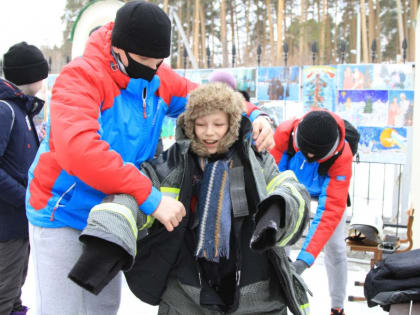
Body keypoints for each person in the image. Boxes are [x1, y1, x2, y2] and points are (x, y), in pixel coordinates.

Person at [25, 1, 274, 314]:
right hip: (62, 211)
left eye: (159, 62)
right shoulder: (81, 78)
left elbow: (208, 99)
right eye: (145, 60)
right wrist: (151, 198)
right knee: (63, 309)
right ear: (120, 49)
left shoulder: (157, 77)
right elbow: (80, 151)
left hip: (111, 210)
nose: (154, 69)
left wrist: (256, 114)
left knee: (102, 306)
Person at [73, 82, 311, 314]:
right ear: (190, 126)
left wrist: (277, 208)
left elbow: (290, 189)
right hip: (188, 294)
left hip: (255, 290)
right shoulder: (172, 163)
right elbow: (132, 194)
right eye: (201, 124)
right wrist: (109, 235)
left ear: (232, 124)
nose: (209, 132)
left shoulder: (256, 160)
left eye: (218, 124)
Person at [270, 109, 353, 315]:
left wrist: (304, 260)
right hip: (290, 186)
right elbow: (269, 181)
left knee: (336, 247)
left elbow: (329, 212)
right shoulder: (283, 134)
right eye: (305, 152)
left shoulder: (343, 155)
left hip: (324, 191)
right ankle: (277, 298)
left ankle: (337, 305)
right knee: (280, 240)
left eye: (315, 156)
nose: (308, 157)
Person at [0, 42, 48, 315]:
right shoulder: (6, 110)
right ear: (33, 75)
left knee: (13, 294)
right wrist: (26, 197)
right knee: (4, 298)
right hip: (7, 227)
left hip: (18, 223)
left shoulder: (22, 110)